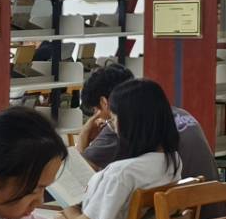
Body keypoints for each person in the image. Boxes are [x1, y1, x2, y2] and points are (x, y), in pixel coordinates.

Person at [55, 77, 183, 219]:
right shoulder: (172, 160)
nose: (112, 127)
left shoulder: (121, 174)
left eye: (114, 119)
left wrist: (66, 203)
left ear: (132, 123)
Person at [78, 63, 215, 183]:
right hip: (210, 198)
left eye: (96, 111)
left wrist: (84, 135)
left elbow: (77, 179)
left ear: (105, 103)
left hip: (180, 202)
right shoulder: (179, 113)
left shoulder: (125, 124)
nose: (98, 118)